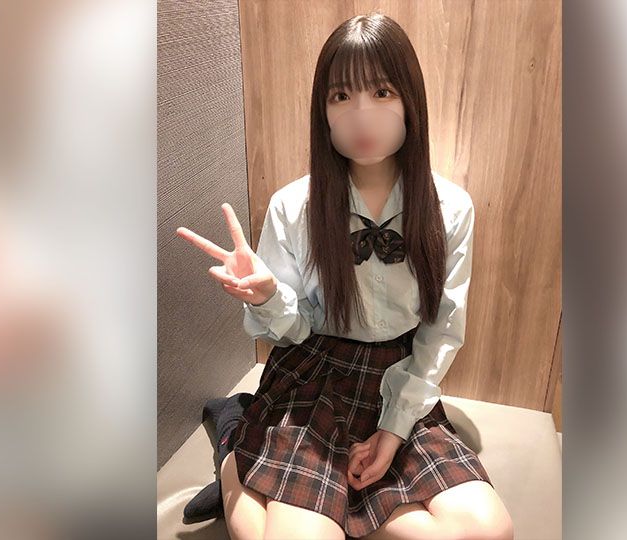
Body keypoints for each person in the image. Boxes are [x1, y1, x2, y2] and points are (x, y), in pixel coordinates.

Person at [177, 13, 514, 540]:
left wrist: (393, 429)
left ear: (410, 100)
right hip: (314, 372)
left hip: (399, 375)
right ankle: (233, 451)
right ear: (323, 111)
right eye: (341, 96)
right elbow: (291, 332)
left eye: (381, 91)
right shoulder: (294, 206)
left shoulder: (450, 207)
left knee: (488, 531)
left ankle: (250, 455)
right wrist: (267, 296)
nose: (362, 116)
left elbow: (442, 328)